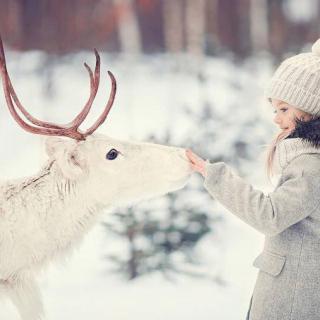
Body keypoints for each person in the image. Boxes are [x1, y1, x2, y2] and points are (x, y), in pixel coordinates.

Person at [185, 38, 320, 320]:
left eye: (284, 109)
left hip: (294, 301)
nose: (276, 118)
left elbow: (269, 215)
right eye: (274, 109)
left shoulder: (310, 167)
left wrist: (214, 176)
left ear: (311, 110)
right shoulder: (306, 159)